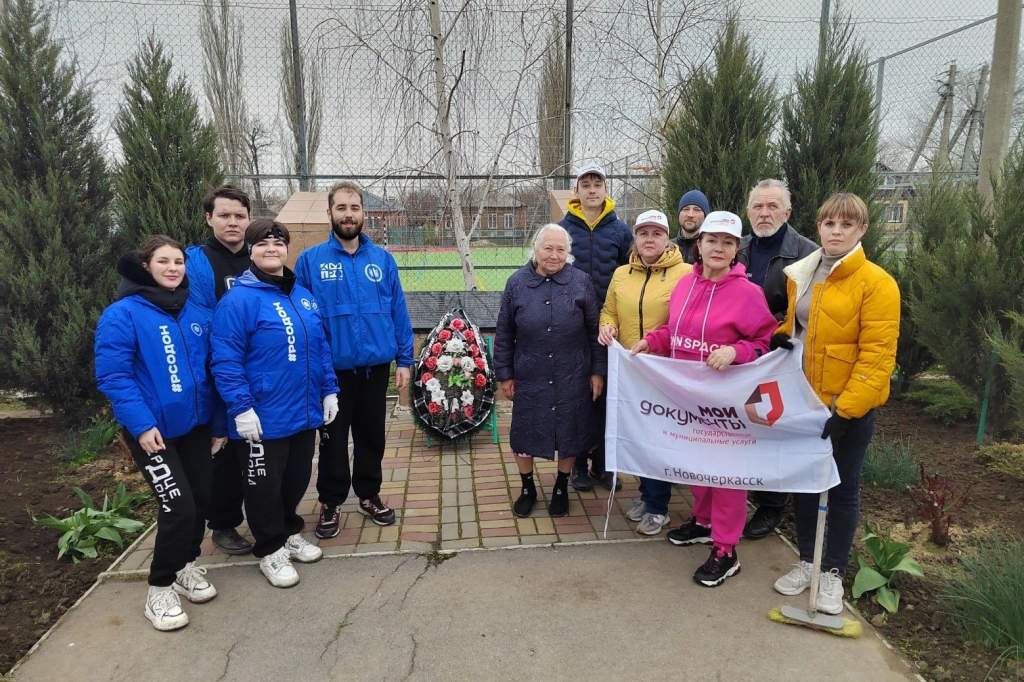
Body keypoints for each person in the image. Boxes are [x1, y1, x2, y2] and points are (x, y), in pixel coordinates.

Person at [631, 211, 776, 587]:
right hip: (687, 399)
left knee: (726, 475)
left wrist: (735, 352)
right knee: (696, 465)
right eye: (712, 240)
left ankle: (726, 551)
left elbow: (764, 343)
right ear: (699, 244)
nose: (718, 248)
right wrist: (652, 341)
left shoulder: (748, 293)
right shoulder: (685, 285)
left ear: (736, 250)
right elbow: (674, 330)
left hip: (726, 402)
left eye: (728, 243)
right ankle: (704, 521)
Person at [771, 192, 899, 614]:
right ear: (819, 227)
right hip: (805, 401)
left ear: (862, 229)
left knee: (842, 489)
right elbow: (803, 326)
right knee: (807, 486)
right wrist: (781, 335)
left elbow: (877, 356)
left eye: (847, 225)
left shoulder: (877, 283)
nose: (837, 232)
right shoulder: (803, 273)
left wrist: (846, 410)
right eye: (830, 224)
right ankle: (808, 561)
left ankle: (832, 573)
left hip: (847, 409)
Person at [95, 235, 221, 631]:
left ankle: (185, 566)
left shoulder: (196, 311)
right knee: (177, 506)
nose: (173, 268)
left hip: (197, 427)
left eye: (178, 261)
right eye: (163, 261)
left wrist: (219, 425)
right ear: (145, 266)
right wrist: (142, 424)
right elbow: (114, 375)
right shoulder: (123, 314)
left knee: (202, 499)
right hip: (153, 433)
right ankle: (160, 587)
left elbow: (212, 371)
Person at [212, 219, 339, 588]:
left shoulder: (302, 295)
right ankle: (269, 548)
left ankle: (287, 531)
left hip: (303, 411)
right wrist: (241, 407)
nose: (272, 248)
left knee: (296, 479)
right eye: (263, 243)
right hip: (262, 416)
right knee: (263, 487)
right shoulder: (238, 301)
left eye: (278, 242)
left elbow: (320, 347)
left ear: (287, 249)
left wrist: (329, 389)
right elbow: (225, 360)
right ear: (250, 251)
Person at [295, 181, 414, 538]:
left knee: (371, 436)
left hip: (375, 369)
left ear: (364, 213)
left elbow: (398, 311)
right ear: (329, 213)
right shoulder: (310, 261)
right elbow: (303, 319)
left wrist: (404, 360)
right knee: (332, 440)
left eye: (354, 208)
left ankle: (369, 494)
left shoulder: (382, 260)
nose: (348, 215)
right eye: (341, 208)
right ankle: (331, 501)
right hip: (332, 372)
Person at [494, 224, 605, 518]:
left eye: (560, 250)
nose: (554, 255)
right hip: (530, 374)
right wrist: (505, 374)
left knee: (569, 432)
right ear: (536, 249)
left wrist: (597, 372)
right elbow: (504, 332)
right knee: (525, 433)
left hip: (573, 373)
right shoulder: (516, 283)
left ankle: (561, 486)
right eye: (548, 248)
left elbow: (594, 330)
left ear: (568, 253)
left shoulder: (581, 282)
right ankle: (527, 487)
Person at [598, 209, 691, 535]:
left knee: (658, 439)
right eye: (643, 233)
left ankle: (657, 507)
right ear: (635, 238)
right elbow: (609, 311)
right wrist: (607, 327)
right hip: (629, 370)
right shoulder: (621, 274)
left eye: (656, 233)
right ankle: (645, 493)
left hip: (664, 370)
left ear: (667, 238)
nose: (649, 239)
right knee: (637, 436)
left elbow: (686, 321)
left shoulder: (686, 273)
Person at [738, 179, 817, 541]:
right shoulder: (739, 248)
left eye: (772, 206)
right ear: (748, 211)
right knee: (743, 425)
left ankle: (772, 503)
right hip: (741, 356)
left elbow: (812, 309)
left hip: (780, 358)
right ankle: (746, 489)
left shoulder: (807, 254)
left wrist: (779, 329)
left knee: (773, 427)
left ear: (787, 212)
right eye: (758, 206)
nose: (764, 213)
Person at [186, 185, 254, 556]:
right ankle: (223, 524)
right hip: (217, 371)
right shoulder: (196, 261)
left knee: (257, 450)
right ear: (209, 218)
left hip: (257, 371)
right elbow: (196, 317)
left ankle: (265, 515)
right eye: (224, 215)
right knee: (222, 451)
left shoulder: (259, 255)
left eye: (239, 216)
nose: (232, 222)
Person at [558, 162, 632, 492]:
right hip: (573, 327)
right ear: (576, 191)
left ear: (605, 189)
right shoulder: (563, 229)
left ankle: (603, 463)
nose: (591, 189)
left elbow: (631, 272)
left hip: (610, 327)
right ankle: (577, 465)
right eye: (585, 184)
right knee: (577, 396)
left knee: (608, 399)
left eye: (597, 183)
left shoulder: (620, 231)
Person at [674, 189, 710, 264]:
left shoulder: (712, 249)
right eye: (686, 209)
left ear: (705, 216)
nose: (690, 215)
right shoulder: (667, 248)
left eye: (697, 210)